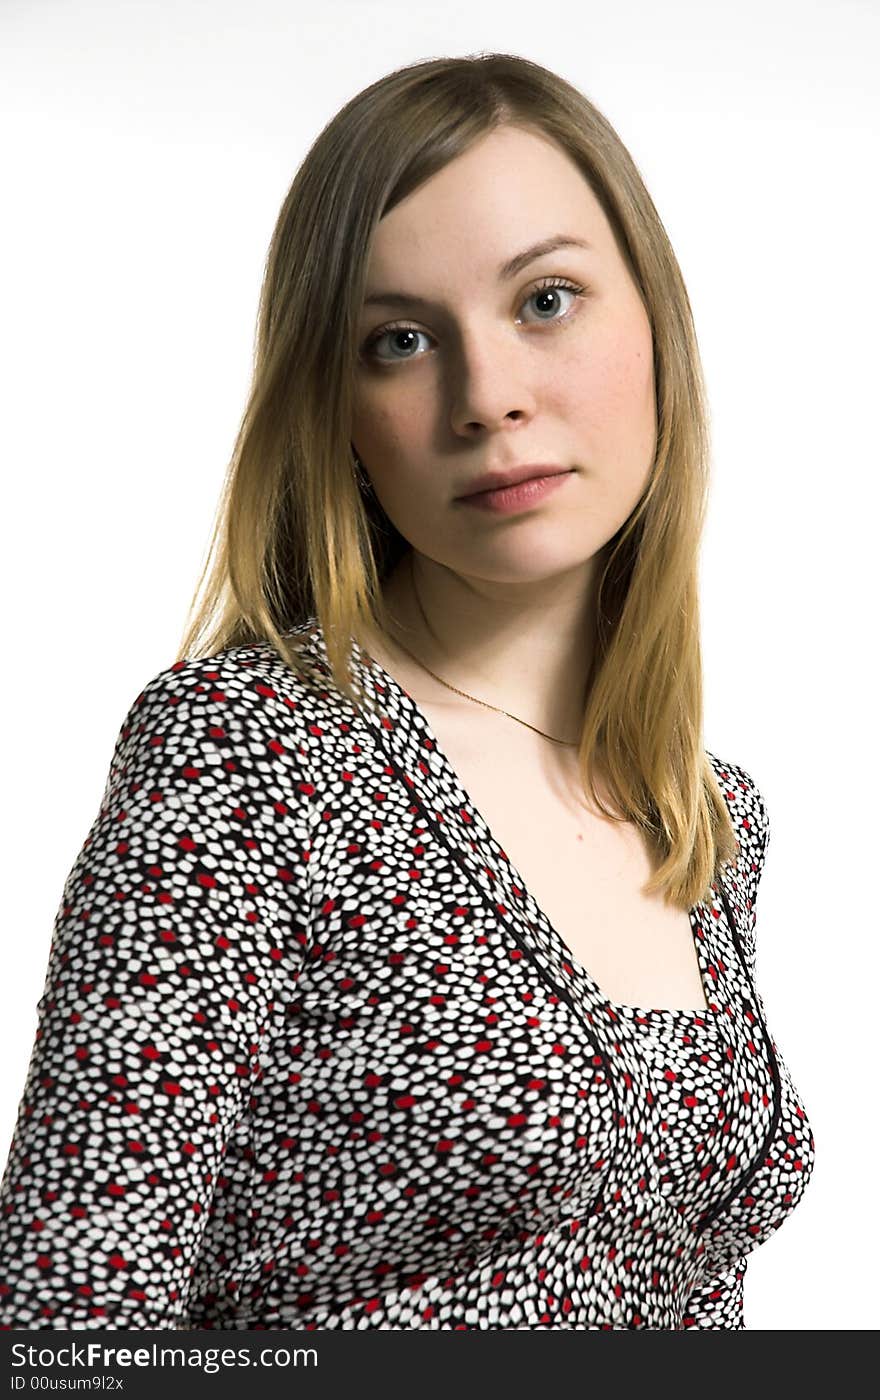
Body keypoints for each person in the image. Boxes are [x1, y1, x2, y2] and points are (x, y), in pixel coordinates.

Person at [0, 52, 815, 1331]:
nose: (487, 395)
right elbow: (67, 1329)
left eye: (546, 299)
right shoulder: (250, 752)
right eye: (398, 340)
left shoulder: (708, 817)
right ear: (336, 410)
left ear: (654, 319)